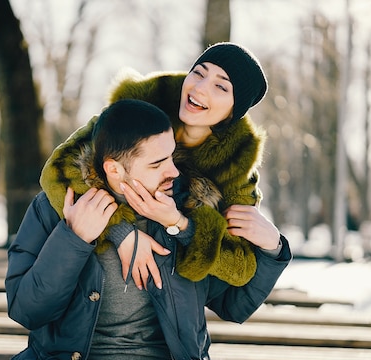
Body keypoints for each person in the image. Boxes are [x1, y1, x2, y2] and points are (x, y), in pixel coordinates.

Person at [0, 99, 291, 360]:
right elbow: (27, 310)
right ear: (115, 170)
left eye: (172, 156)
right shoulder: (55, 207)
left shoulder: (191, 210)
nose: (173, 170)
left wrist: (273, 249)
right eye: (157, 163)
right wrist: (74, 238)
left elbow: (233, 304)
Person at [40, 42, 271, 290]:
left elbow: (240, 267)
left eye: (220, 86)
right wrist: (121, 232)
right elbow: (59, 170)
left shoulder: (236, 168)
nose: (200, 88)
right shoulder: (138, 107)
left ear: (234, 110)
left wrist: (180, 223)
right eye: (199, 72)